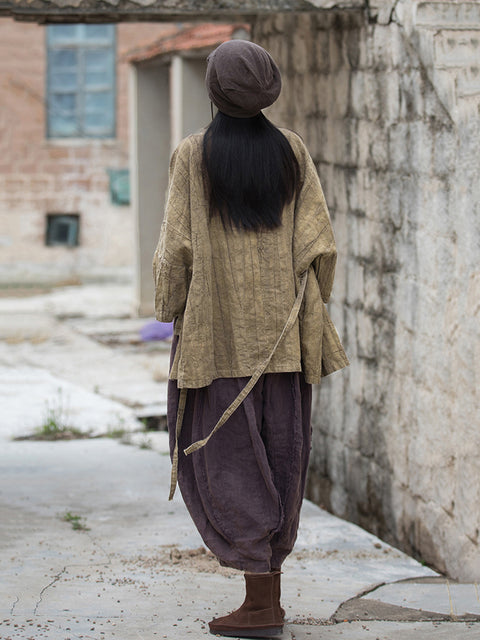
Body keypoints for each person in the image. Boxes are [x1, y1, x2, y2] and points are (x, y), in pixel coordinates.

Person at [152, 39, 348, 639]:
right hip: (284, 345)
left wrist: (170, 309)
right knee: (281, 461)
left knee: (230, 464)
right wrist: (308, 310)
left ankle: (261, 605)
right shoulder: (292, 151)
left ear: (212, 92)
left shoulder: (193, 155)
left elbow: (175, 250)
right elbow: (321, 247)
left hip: (217, 345)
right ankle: (268, 598)